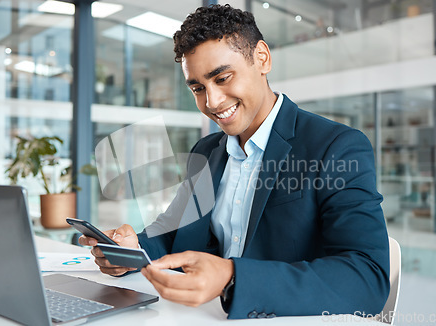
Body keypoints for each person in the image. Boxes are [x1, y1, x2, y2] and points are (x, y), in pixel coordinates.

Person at [80, 4, 390, 319]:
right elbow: (176, 233)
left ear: (262, 58)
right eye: (198, 88)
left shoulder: (335, 147)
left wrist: (232, 276)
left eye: (223, 78)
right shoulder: (206, 151)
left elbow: (366, 277)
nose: (211, 102)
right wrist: (134, 252)